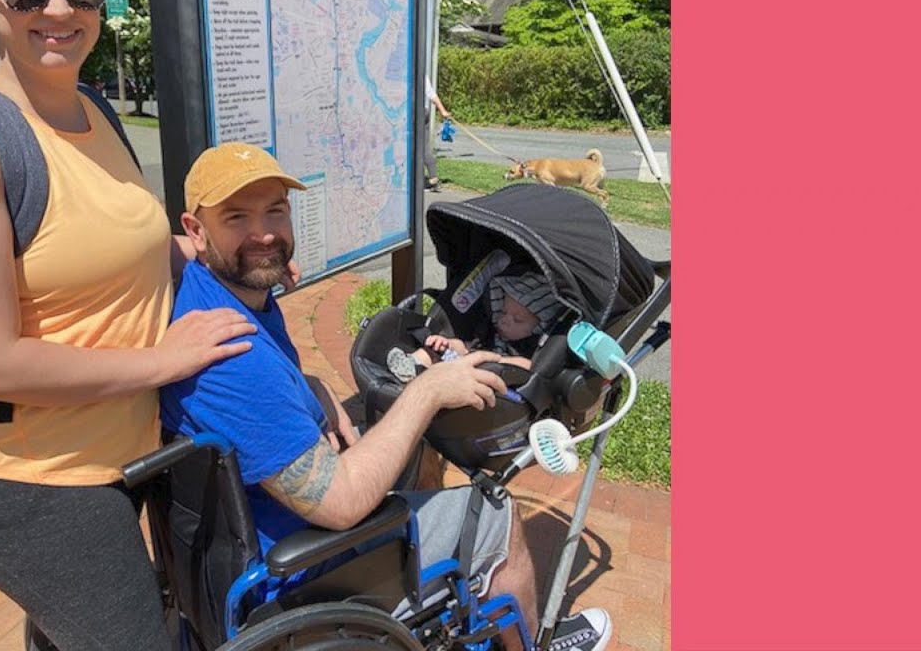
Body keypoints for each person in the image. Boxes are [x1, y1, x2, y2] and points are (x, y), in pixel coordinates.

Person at [0, 0, 275, 648]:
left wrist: (235, 256)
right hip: (34, 481)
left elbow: (129, 243)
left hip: (121, 451)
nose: (59, 7)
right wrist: (164, 362)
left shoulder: (93, 107)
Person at [160, 143, 613, 651]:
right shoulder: (235, 356)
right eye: (236, 217)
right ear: (195, 231)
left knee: (397, 448)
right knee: (495, 512)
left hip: (237, 546)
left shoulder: (212, 295)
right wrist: (427, 391)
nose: (264, 234)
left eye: (275, 211)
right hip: (300, 571)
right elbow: (342, 504)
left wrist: (310, 386)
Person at [386, 271, 564, 382]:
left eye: (517, 320)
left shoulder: (532, 348)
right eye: (503, 311)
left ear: (538, 327)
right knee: (436, 350)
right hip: (463, 365)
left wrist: (496, 362)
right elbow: (465, 347)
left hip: (488, 383)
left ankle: (423, 377)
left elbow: (529, 367)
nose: (505, 320)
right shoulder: (490, 330)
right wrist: (446, 344)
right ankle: (411, 365)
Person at [423, 75, 452, 191]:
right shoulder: (422, 74)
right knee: (423, 147)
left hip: (412, 112)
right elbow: (432, 95)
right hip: (424, 111)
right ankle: (433, 178)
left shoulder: (403, 72)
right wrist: (443, 111)